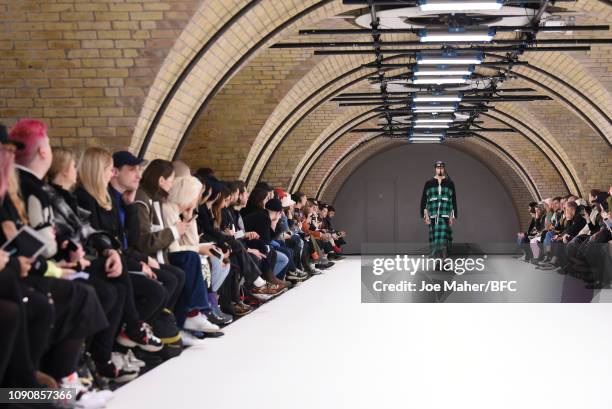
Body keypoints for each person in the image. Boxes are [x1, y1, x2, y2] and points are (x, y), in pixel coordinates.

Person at [74, 147, 165, 354]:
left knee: (164, 281)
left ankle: (124, 342)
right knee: (149, 288)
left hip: (114, 259)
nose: (112, 173)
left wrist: (130, 206)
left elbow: (125, 240)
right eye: (110, 169)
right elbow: (105, 240)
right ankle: (122, 340)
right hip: (97, 261)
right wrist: (137, 262)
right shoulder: (88, 198)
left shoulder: (109, 198)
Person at [130, 159, 222, 337]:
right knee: (189, 261)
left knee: (191, 264)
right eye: (171, 180)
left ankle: (186, 319)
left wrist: (188, 220)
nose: (172, 185)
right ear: (161, 180)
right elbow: (160, 243)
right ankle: (189, 316)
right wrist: (177, 229)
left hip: (160, 255)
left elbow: (185, 240)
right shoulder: (154, 203)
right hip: (155, 257)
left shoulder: (158, 202)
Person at [420, 161, 458, 260]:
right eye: (438, 167)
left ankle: (444, 261)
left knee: (444, 238)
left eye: (441, 167)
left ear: (444, 168)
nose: (440, 169)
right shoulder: (429, 183)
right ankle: (438, 261)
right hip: (433, 215)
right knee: (435, 239)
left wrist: (452, 216)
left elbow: (453, 199)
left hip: (445, 214)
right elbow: (424, 199)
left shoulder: (450, 183)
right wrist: (425, 215)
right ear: (435, 169)